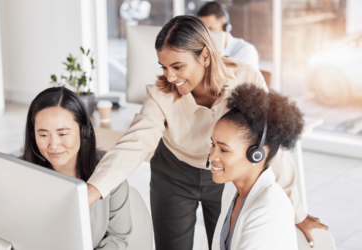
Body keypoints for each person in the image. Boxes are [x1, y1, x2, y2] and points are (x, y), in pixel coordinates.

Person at [87, 16, 325, 250]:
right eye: (164, 67)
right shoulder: (162, 93)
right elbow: (134, 143)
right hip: (173, 173)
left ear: (205, 56)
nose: (170, 76)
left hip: (222, 174)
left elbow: (269, 146)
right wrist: (91, 191)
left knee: (223, 243)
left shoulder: (246, 78)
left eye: (178, 67)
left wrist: (297, 212)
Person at [21, 87, 132, 250]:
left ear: (83, 131)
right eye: (43, 135)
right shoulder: (19, 173)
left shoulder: (109, 170)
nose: (53, 145)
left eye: (63, 134)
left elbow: (118, 237)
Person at [210, 83, 309, 250]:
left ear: (257, 154)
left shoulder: (268, 210)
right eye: (212, 145)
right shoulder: (232, 191)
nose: (212, 155)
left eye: (223, 150)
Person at [197, 2, 259, 69]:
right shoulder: (200, 53)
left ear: (226, 28)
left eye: (211, 29)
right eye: (203, 30)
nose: (206, 35)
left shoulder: (245, 51)